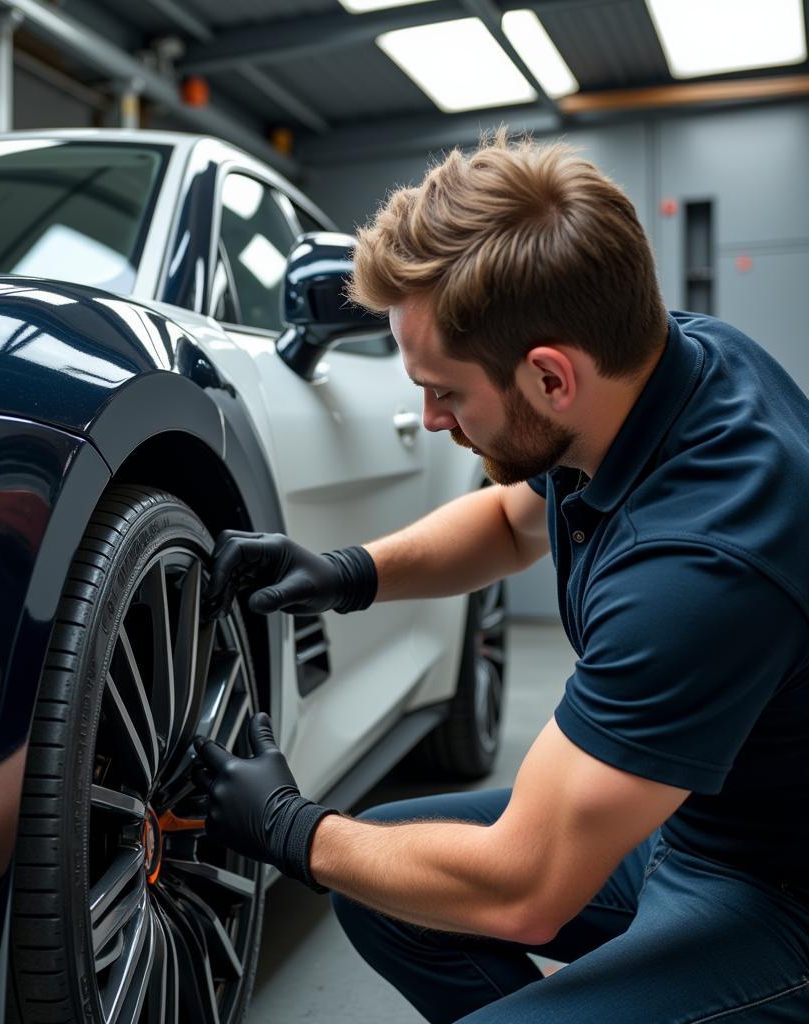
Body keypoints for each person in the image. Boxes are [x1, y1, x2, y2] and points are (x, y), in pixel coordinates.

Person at [192, 130, 809, 1023]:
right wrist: (342, 572)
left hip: (779, 897)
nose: (430, 418)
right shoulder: (657, 367)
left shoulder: (701, 565)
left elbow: (527, 889)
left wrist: (294, 829)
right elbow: (513, 520)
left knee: (380, 864)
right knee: (382, 877)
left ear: (550, 376)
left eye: (445, 390)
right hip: (696, 821)